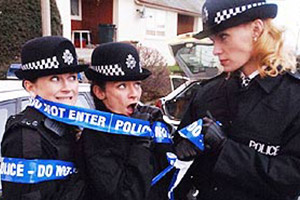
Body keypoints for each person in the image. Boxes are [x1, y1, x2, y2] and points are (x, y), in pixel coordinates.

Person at [173, 0, 300, 199]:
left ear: (256, 29)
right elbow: (178, 164)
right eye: (213, 40)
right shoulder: (207, 93)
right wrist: (180, 147)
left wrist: (226, 150)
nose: (215, 50)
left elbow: (291, 178)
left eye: (224, 37)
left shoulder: (293, 98)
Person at [78, 42, 172, 200]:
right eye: (122, 86)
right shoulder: (96, 137)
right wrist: (141, 141)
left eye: (137, 85)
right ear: (100, 92)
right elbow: (125, 195)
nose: (134, 94)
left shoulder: (146, 119)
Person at [1, 36, 88, 200]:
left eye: (72, 77)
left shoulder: (69, 124)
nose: (67, 88)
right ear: (30, 86)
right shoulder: (25, 135)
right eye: (55, 79)